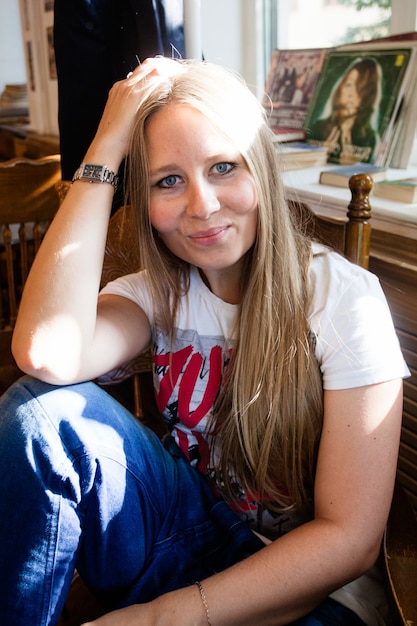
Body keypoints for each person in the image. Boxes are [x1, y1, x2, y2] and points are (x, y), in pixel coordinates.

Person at [0, 58, 409, 626]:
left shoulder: (345, 301)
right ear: (144, 203)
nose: (202, 207)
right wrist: (107, 144)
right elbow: (46, 352)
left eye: (223, 167)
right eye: (168, 181)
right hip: (187, 539)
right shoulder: (155, 294)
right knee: (38, 412)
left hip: (306, 592)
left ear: (261, 170)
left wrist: (161, 618)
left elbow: (350, 540)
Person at [308, 57, 381, 164]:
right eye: (349, 85)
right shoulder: (316, 128)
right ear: (340, 87)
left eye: (362, 89)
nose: (353, 95)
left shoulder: (370, 139)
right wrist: (317, 158)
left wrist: (351, 168)